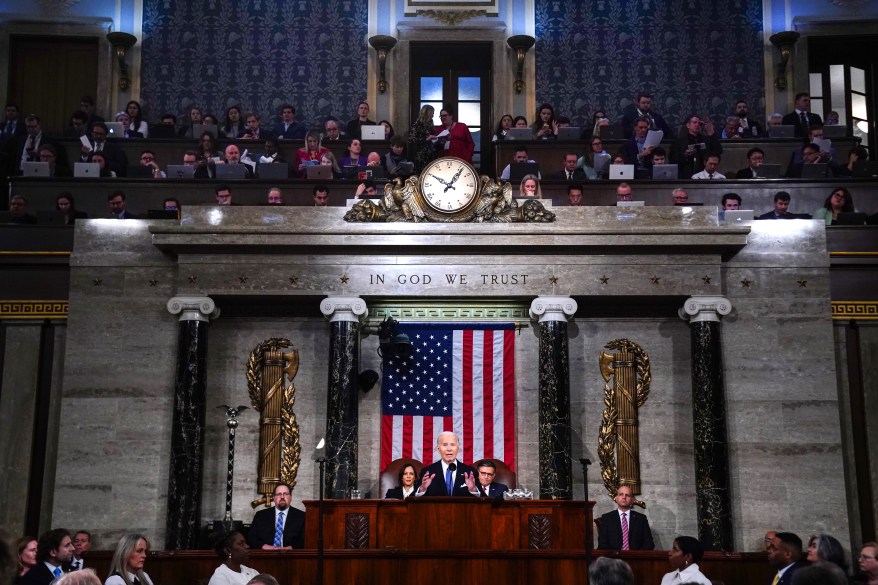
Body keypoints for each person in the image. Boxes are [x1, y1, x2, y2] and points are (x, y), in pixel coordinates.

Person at [415, 431, 480, 497]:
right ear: (438, 449)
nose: (449, 449)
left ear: (457, 448)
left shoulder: (470, 472)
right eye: (445, 445)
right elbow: (412, 498)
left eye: (452, 445)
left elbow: (484, 499)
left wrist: (473, 489)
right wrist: (422, 489)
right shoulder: (427, 472)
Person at [246, 482, 305, 549]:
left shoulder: (301, 516)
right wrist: (265, 546)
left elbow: (305, 540)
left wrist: (290, 548)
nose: (282, 497)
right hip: (265, 556)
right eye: (279, 494)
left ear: (291, 497)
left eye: (285, 494)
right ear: (273, 497)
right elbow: (251, 538)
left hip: (291, 556)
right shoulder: (260, 516)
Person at [596, 484, 655, 550]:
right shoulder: (607, 518)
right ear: (616, 498)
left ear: (632, 500)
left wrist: (636, 555)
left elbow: (649, 544)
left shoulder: (641, 519)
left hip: (636, 558)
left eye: (627, 495)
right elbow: (602, 544)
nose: (624, 497)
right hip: (613, 558)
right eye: (621, 494)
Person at [672, 114, 722, 178]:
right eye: (694, 122)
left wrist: (711, 133)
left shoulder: (706, 140)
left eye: (699, 123)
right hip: (685, 174)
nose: (697, 125)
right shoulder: (679, 142)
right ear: (688, 125)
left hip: (704, 174)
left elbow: (718, 151)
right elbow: (674, 160)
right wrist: (685, 155)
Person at [408, 105, 438, 173]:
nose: (433, 115)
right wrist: (427, 139)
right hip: (421, 156)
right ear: (426, 113)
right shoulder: (417, 125)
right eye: (432, 113)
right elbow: (412, 141)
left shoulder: (430, 124)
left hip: (431, 154)